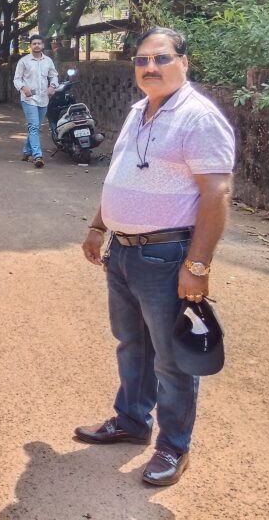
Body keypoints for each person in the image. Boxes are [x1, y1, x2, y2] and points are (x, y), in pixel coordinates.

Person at [76, 26, 235, 486]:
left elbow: (216, 193)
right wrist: (98, 225)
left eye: (161, 58)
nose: (150, 67)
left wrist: (197, 267)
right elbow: (120, 174)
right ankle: (131, 419)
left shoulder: (198, 118)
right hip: (123, 252)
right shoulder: (138, 110)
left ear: (184, 62)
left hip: (167, 255)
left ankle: (173, 447)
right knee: (132, 344)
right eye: (142, 60)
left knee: (171, 358)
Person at [13, 34, 59, 168]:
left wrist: (52, 86)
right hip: (29, 99)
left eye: (39, 43)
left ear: (43, 45)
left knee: (36, 127)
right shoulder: (24, 61)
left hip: (44, 99)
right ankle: (37, 156)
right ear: (30, 46)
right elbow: (17, 79)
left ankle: (26, 152)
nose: (37, 45)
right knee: (34, 127)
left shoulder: (48, 61)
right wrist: (23, 87)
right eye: (34, 43)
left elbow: (54, 76)